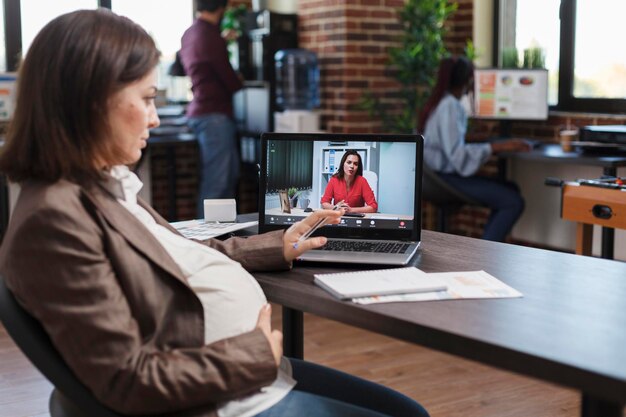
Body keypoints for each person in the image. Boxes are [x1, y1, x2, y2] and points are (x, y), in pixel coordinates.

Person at [0, 9, 430, 417]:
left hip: (246, 376)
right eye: (147, 99)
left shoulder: (102, 186)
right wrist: (254, 354)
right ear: (90, 102)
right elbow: (127, 380)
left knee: (409, 410)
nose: (154, 118)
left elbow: (177, 257)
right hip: (224, 398)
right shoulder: (52, 222)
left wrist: (277, 245)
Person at [419, 56, 531, 242]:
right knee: (512, 201)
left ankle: (488, 244)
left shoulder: (439, 101)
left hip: (435, 176)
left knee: (511, 187)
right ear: (468, 80)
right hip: (444, 179)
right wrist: (497, 146)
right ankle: (484, 253)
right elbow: (457, 155)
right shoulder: (450, 106)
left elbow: (444, 140)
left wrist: (480, 139)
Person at [180, 0, 243, 217]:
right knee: (218, 183)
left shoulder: (189, 33)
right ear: (222, 7)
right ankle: (208, 242)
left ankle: (221, 240)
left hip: (199, 112)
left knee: (228, 176)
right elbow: (230, 81)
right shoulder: (211, 36)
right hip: (214, 115)